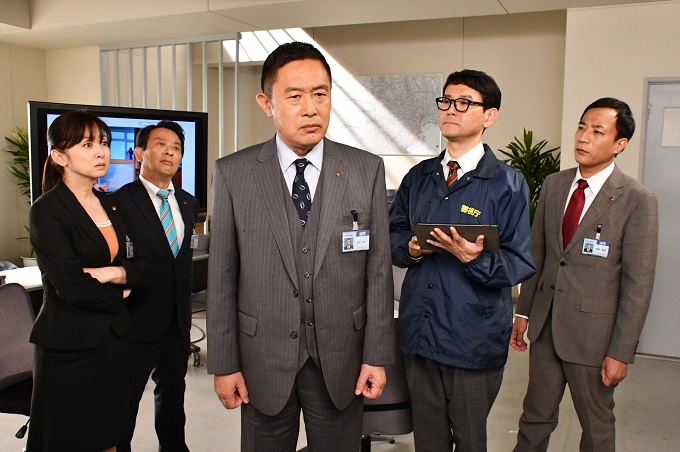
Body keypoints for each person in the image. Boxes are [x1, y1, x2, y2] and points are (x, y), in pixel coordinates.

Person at [206, 41, 394, 452]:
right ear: (267, 103)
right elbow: (221, 277)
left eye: (320, 94)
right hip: (262, 360)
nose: (311, 109)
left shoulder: (365, 170)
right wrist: (223, 363)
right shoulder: (234, 173)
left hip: (342, 360)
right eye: (294, 96)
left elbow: (378, 272)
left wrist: (376, 355)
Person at [389, 69, 537, 451]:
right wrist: (411, 248)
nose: (451, 110)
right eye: (446, 101)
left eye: (464, 102)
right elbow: (392, 235)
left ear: (489, 116)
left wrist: (474, 260)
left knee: (470, 441)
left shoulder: (508, 184)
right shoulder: (418, 177)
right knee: (428, 442)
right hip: (420, 334)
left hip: (472, 340)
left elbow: (518, 261)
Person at [511, 97, 659, 451]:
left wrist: (621, 352)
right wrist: (523, 312)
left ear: (620, 144)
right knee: (534, 418)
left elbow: (638, 285)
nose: (583, 137)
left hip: (595, 337)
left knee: (596, 426)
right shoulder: (554, 185)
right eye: (581, 127)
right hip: (546, 327)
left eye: (597, 131)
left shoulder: (637, 199)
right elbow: (538, 255)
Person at [27, 111, 152, 451]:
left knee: (109, 437)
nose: (101, 152)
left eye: (103, 143)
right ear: (59, 157)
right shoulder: (47, 211)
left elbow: (145, 266)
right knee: (69, 441)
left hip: (111, 341)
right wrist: (123, 291)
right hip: (68, 346)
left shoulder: (112, 205)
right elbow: (72, 288)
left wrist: (112, 273)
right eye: (87, 144)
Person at [115, 121, 199, 451]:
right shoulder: (119, 202)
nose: (170, 152)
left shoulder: (189, 203)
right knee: (124, 403)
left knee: (173, 400)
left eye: (176, 148)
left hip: (176, 322)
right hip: (135, 321)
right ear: (139, 153)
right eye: (161, 144)